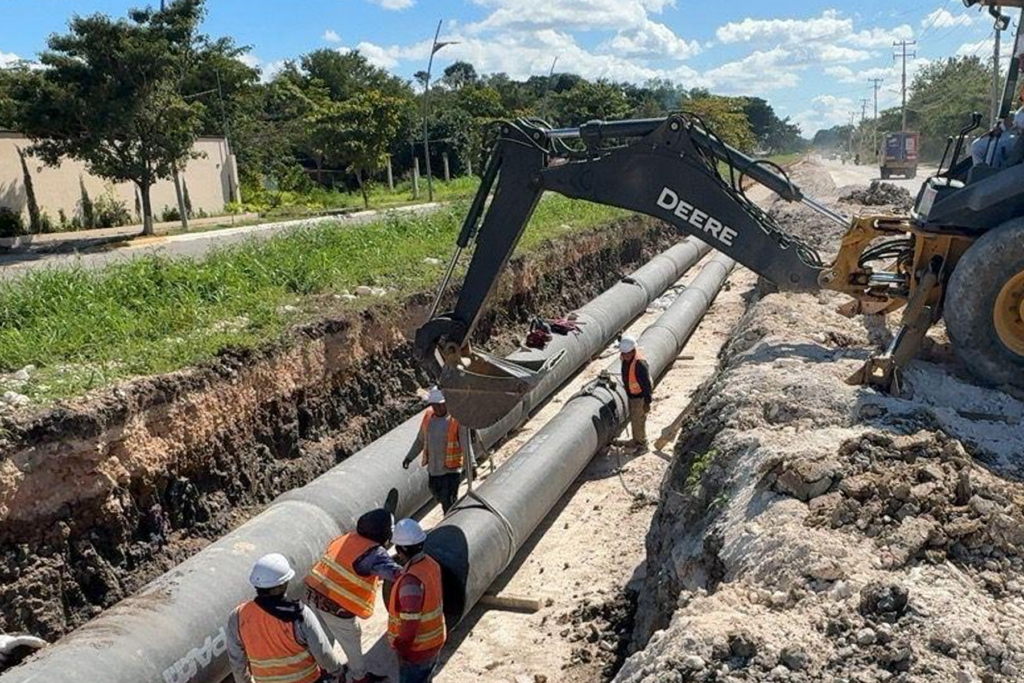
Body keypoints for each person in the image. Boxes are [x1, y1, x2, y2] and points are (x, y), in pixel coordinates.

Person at [304, 509, 402, 683]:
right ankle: (360, 677)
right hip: (336, 605)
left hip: (314, 593)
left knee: (324, 639)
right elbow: (397, 575)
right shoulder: (374, 553)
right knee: (351, 641)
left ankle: (325, 673)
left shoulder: (348, 538)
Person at [227, 554, 344, 683]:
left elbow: (236, 661)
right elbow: (322, 651)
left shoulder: (238, 616)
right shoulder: (299, 614)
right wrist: (336, 671)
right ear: (283, 584)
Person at [386, 519, 446, 683]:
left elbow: (410, 624)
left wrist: (401, 649)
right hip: (435, 639)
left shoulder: (411, 581)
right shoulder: (431, 564)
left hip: (418, 649)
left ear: (400, 549)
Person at [402, 387, 478, 514]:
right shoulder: (428, 418)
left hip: (451, 472)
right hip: (434, 471)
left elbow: (466, 444)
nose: (437, 408)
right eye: (434, 405)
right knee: (439, 496)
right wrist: (409, 457)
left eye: (440, 405)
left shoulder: (456, 420)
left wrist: (472, 466)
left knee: (448, 502)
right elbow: (420, 440)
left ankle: (449, 523)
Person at [620, 335, 652, 452]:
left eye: (628, 353)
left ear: (633, 351)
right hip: (633, 394)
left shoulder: (640, 364)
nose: (625, 356)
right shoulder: (625, 358)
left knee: (638, 420)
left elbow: (646, 385)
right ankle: (636, 440)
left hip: (641, 395)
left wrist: (647, 402)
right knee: (634, 419)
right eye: (623, 354)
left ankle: (642, 445)